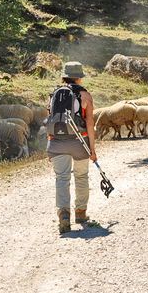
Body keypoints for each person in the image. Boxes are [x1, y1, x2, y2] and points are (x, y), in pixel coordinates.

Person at [46, 61, 97, 234]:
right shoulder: (85, 96)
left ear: (65, 76)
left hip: (57, 142)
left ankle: (64, 216)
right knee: (81, 176)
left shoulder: (54, 94)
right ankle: (81, 213)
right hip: (79, 142)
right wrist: (93, 150)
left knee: (62, 178)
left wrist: (51, 143)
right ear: (79, 77)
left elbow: (51, 120)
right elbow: (90, 123)